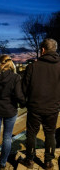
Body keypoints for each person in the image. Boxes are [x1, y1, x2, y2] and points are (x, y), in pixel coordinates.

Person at [20, 38, 60, 170]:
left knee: (31, 133)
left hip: (35, 107)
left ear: (42, 50)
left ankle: (30, 160)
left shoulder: (32, 67)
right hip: (53, 108)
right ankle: (48, 162)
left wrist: (24, 102)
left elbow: (24, 88)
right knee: (50, 134)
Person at [0, 55, 26, 169]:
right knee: (7, 137)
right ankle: (2, 163)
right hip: (10, 110)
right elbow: (18, 95)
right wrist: (24, 103)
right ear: (10, 63)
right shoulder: (15, 77)